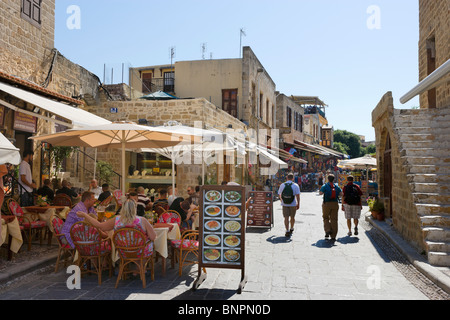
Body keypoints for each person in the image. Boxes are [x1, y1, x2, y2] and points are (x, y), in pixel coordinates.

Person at [76, 199, 157, 257]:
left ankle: (126, 267)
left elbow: (100, 226)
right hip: (141, 252)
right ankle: (141, 267)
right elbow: (153, 237)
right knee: (149, 244)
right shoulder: (142, 220)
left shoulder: (117, 220)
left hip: (123, 251)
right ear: (135, 208)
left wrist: (85, 215)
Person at [319, 174, 342, 241]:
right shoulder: (336, 186)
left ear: (328, 179)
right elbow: (341, 194)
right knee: (334, 219)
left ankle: (328, 230)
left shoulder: (325, 186)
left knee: (325, 217)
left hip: (326, 203)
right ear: (333, 179)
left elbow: (320, 193)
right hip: (335, 203)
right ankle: (333, 236)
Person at [278, 173, 301, 237]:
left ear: (287, 178)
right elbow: (298, 196)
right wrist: (298, 203)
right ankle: (292, 228)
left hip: (284, 204)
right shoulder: (295, 185)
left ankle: (287, 230)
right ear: (293, 178)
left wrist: (281, 200)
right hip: (293, 204)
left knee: (286, 217)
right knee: (292, 217)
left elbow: (279, 194)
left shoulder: (282, 185)